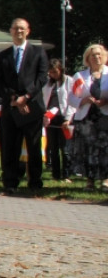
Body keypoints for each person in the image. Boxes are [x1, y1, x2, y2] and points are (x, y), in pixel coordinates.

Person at [0, 18, 49, 192]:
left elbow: (42, 78)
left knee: (33, 146)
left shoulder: (38, 52)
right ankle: (10, 182)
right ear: (10, 31)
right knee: (10, 146)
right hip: (11, 107)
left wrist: (26, 97)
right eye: (16, 28)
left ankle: (35, 182)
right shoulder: (3, 56)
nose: (19, 32)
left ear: (28, 31)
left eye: (22, 29)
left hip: (32, 106)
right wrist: (14, 98)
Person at [66, 44, 108, 191]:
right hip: (86, 118)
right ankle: (90, 181)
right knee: (88, 149)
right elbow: (71, 98)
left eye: (99, 54)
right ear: (87, 59)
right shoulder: (80, 76)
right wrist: (83, 101)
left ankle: (105, 180)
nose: (96, 57)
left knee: (105, 149)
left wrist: (105, 101)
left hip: (105, 117)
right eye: (93, 55)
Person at [41, 59, 75, 183]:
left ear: (60, 70)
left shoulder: (69, 81)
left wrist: (68, 118)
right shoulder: (48, 84)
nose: (53, 75)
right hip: (51, 119)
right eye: (50, 72)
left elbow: (72, 101)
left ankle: (66, 174)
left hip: (64, 118)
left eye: (55, 72)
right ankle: (55, 175)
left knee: (65, 149)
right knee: (53, 148)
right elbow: (44, 100)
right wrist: (45, 115)